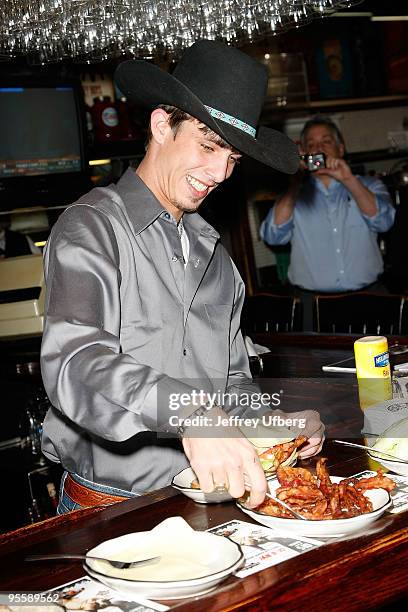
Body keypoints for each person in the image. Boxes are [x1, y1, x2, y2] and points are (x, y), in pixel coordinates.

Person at [40, 40, 324, 514]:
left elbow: (230, 385)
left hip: (204, 499)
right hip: (113, 506)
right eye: (209, 146)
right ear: (160, 125)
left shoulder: (216, 258)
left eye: (233, 158)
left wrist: (270, 423)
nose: (219, 173)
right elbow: (75, 362)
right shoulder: (91, 227)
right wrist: (191, 413)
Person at [260, 116, 395, 329]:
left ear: (341, 149)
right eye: (311, 144)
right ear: (303, 151)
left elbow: (384, 222)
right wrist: (294, 181)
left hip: (369, 297)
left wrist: (348, 179)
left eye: (326, 141)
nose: (318, 148)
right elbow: (272, 236)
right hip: (311, 305)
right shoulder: (295, 194)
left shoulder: (370, 185)